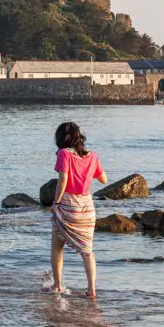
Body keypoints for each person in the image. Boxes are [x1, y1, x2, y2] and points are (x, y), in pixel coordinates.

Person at [50, 121, 108, 299]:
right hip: (86, 207)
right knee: (87, 250)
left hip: (67, 204)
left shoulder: (63, 154)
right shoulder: (93, 156)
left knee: (57, 248)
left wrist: (55, 202)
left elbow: (63, 181)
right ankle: (91, 289)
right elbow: (103, 180)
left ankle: (58, 286)